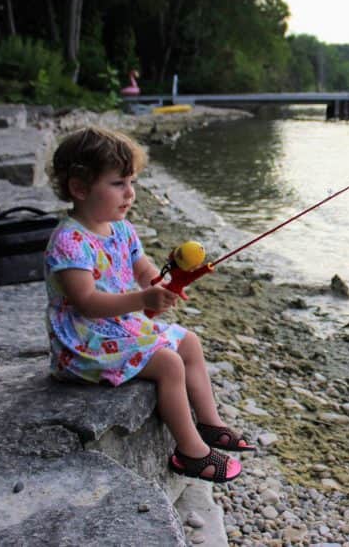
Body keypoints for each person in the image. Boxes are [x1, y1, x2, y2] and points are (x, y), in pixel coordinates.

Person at [44, 126, 254, 482]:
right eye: (118, 184)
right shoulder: (69, 241)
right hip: (83, 342)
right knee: (170, 364)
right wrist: (143, 299)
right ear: (79, 188)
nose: (130, 193)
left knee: (189, 342)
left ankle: (209, 423)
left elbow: (142, 270)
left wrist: (164, 282)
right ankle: (190, 454)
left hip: (119, 326)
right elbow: (88, 303)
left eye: (132, 182)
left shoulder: (122, 229)